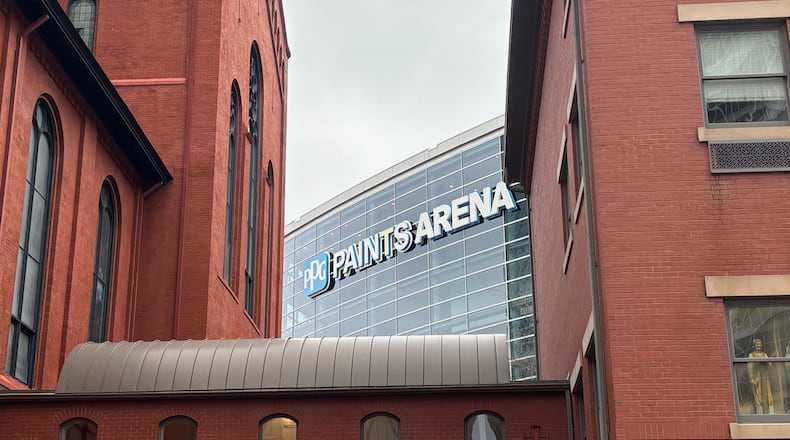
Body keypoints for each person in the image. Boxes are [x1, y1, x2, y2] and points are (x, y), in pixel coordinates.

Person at [748, 339, 774, 414]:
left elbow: (770, 365)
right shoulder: (751, 355)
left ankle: (770, 413)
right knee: (758, 396)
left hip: (765, 379)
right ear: (754, 346)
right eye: (757, 344)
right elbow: (749, 367)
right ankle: (761, 413)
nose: (758, 346)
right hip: (757, 378)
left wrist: (767, 361)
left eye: (759, 344)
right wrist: (751, 379)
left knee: (768, 396)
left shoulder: (764, 354)